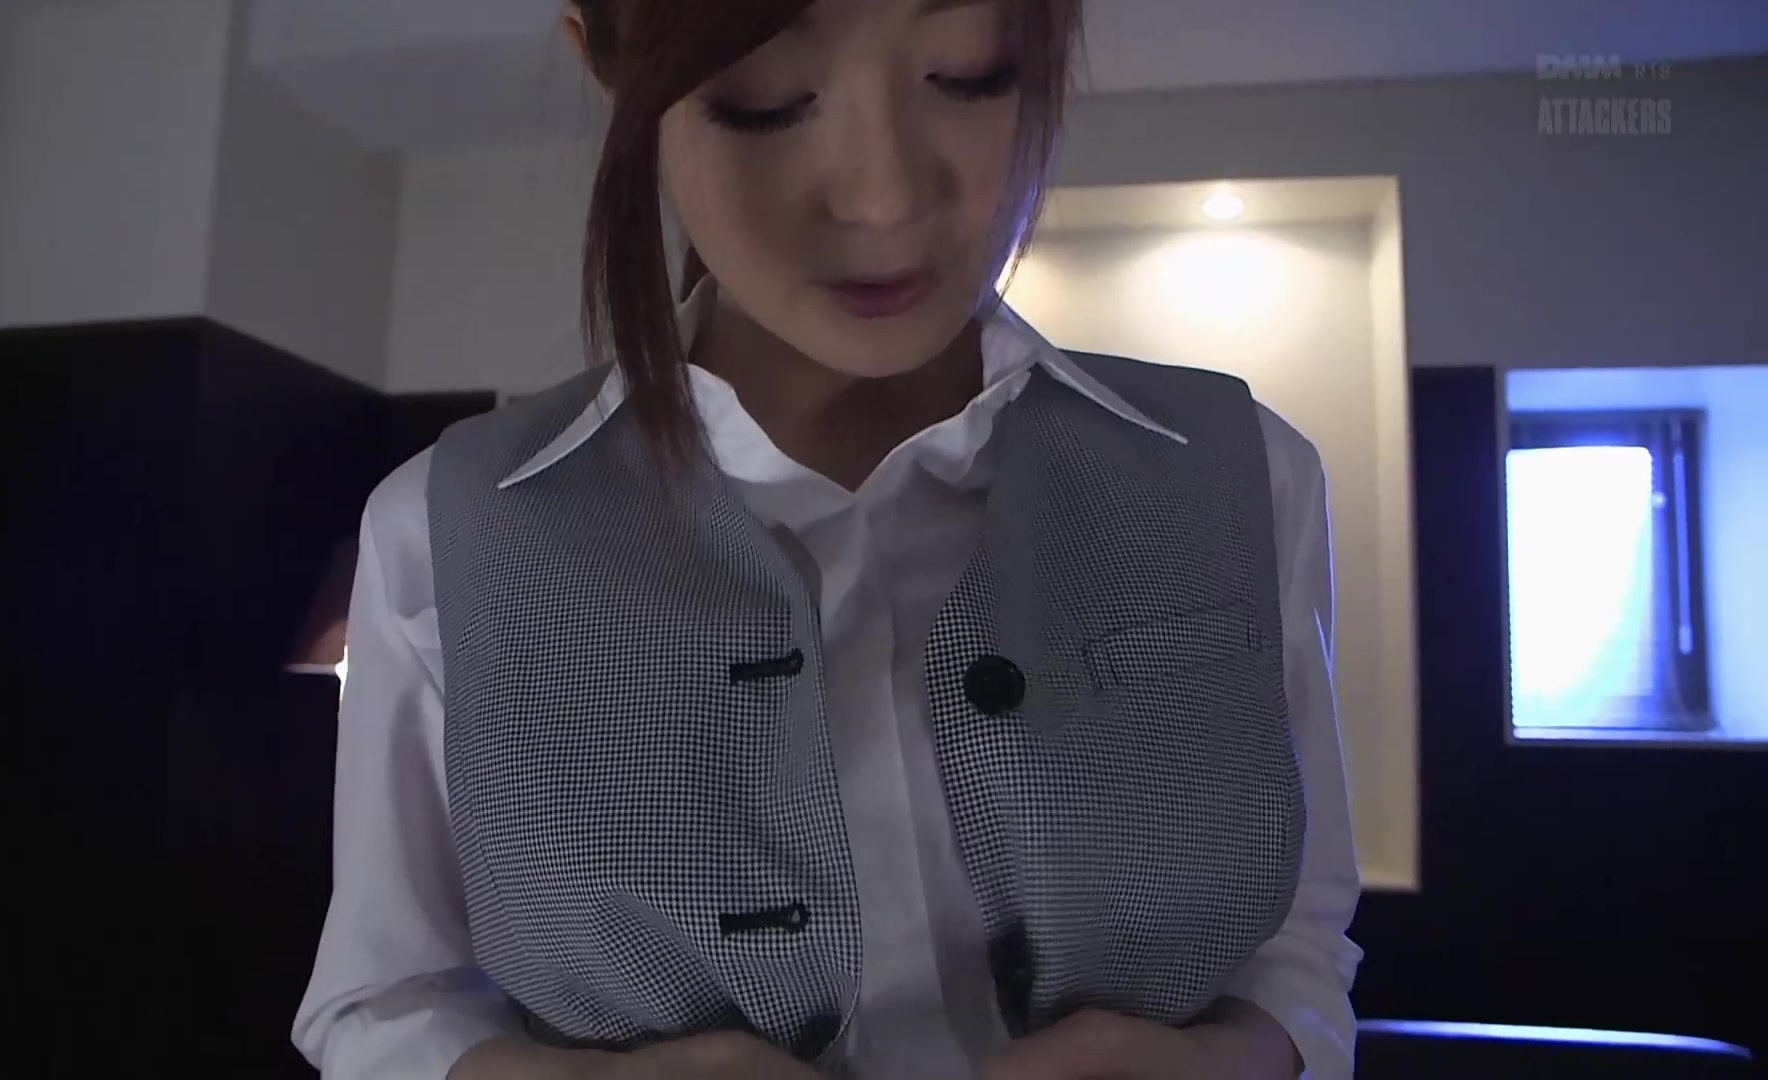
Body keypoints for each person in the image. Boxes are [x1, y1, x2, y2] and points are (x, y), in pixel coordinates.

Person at [293, 0, 1362, 1076]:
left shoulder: (1239, 473)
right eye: (763, 101)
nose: (883, 199)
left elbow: (1300, 949)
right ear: (613, 68)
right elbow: (378, 1004)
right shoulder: (450, 528)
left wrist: (1246, 1056)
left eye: (969, 72)